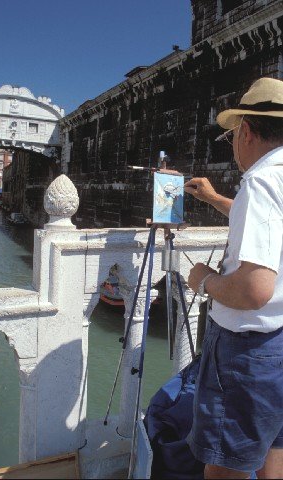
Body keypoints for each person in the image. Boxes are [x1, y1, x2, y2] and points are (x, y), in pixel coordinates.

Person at [184, 77, 283, 479]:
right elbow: (270, 227)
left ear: (245, 130)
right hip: (279, 343)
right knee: (274, 450)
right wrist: (213, 199)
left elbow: (253, 289)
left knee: (227, 465)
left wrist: (204, 281)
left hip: (248, 352)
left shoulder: (260, 181)